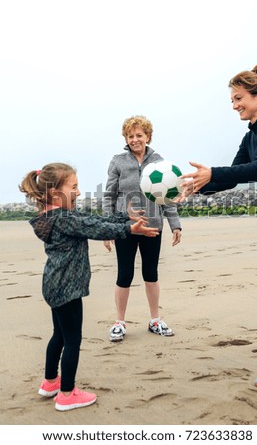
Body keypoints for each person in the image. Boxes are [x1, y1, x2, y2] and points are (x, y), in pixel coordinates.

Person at [179, 63, 257, 392]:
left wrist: (211, 173)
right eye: (232, 100)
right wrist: (194, 188)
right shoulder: (251, 135)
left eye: (239, 98)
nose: (234, 105)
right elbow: (235, 173)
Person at [19, 162, 159, 411]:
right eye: (74, 186)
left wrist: (125, 217)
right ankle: (66, 394)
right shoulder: (62, 218)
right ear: (55, 192)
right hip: (67, 287)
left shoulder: (53, 216)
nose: (79, 191)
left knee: (59, 335)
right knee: (73, 339)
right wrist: (128, 228)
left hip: (54, 283)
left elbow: (92, 220)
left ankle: (50, 382)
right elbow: (95, 228)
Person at [103, 115, 182, 342]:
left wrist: (174, 224)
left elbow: (168, 197)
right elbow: (109, 196)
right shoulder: (118, 161)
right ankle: (119, 322)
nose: (135, 139)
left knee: (151, 273)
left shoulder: (159, 161)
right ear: (125, 138)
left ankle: (155, 320)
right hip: (125, 228)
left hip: (152, 226)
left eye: (139, 135)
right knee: (124, 274)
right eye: (130, 136)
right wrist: (109, 228)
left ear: (148, 136)